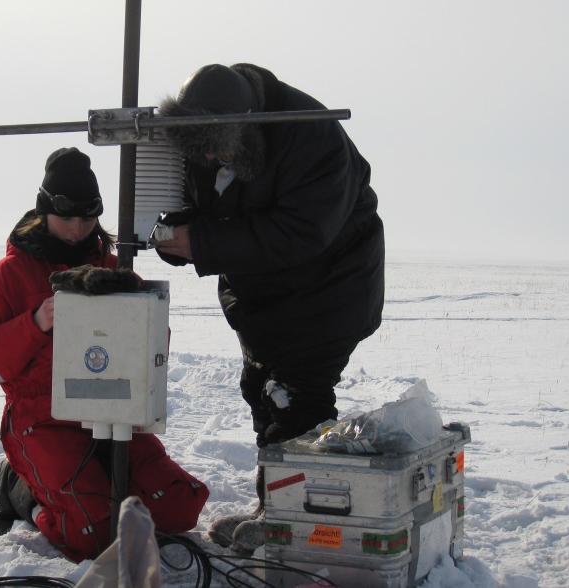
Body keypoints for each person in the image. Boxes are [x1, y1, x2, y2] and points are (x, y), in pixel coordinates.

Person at [153, 63, 385, 550]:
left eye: (219, 146)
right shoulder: (206, 138)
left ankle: (295, 524)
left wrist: (203, 242)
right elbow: (199, 209)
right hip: (263, 298)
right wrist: (175, 237)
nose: (211, 156)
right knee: (262, 389)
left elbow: (302, 233)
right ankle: (277, 509)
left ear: (248, 125)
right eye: (203, 149)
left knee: (297, 399)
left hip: (331, 290)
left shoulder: (310, 136)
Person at [0, 147, 208, 563]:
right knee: (93, 535)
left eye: (88, 217)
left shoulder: (113, 267)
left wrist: (133, 310)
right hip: (42, 421)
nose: (78, 228)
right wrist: (35, 322)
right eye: (68, 216)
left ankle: (96, 491)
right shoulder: (11, 275)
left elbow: (154, 348)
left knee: (180, 507)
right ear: (44, 210)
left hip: (116, 415)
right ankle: (21, 492)